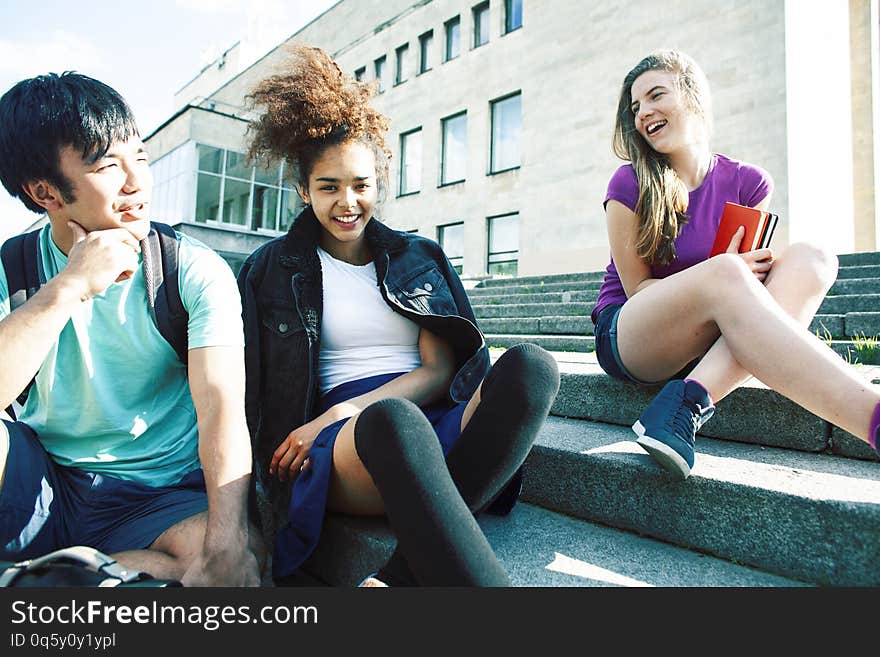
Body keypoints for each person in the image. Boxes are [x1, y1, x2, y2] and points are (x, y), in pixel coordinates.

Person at [238, 45, 560, 586]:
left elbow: (439, 371)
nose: (348, 202)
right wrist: (329, 422)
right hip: (344, 445)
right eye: (328, 187)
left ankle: (403, 574)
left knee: (533, 367)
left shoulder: (418, 256)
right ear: (302, 190)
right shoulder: (270, 270)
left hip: (428, 418)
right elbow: (243, 388)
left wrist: (354, 411)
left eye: (361, 185)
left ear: (378, 185)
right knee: (392, 422)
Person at [0, 72, 262, 585]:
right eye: (107, 166)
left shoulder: (192, 268)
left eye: (139, 158)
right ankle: (84, 574)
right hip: (45, 480)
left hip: (156, 494)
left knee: (224, 562)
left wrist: (229, 543)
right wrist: (70, 286)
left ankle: (45, 576)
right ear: (45, 192)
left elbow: (221, 407)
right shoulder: (13, 268)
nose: (137, 183)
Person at [593, 50, 880, 480]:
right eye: (635, 107)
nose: (644, 113)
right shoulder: (629, 180)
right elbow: (637, 289)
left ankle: (687, 401)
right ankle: (872, 418)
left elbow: (755, 285)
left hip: (712, 333)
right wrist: (721, 275)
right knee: (728, 272)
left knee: (813, 258)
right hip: (631, 332)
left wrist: (731, 275)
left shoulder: (749, 182)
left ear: (693, 96)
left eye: (656, 95)